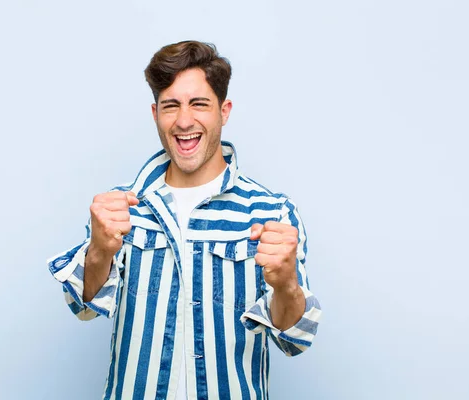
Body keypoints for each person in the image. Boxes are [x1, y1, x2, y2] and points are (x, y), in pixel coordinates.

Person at [47, 40, 322, 399]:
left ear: (224, 111)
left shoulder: (270, 212)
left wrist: (285, 284)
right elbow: (83, 308)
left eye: (199, 104)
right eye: (171, 106)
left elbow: (293, 338)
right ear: (155, 113)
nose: (184, 120)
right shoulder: (121, 207)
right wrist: (99, 250)